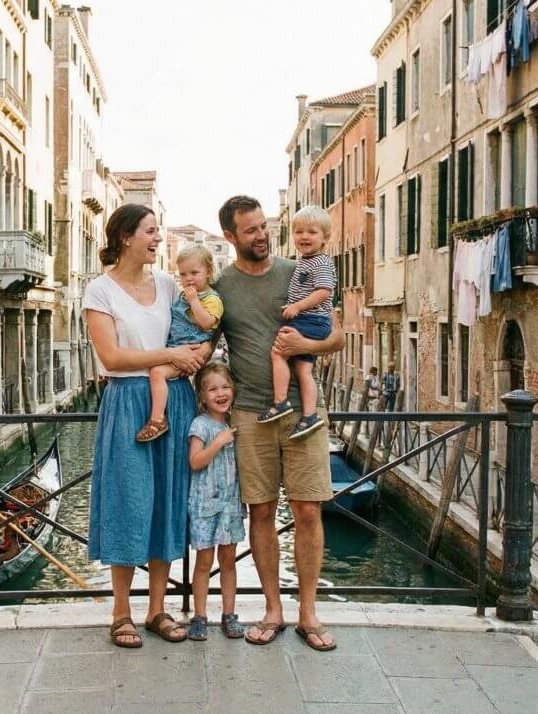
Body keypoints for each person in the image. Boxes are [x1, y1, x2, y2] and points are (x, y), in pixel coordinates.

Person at [214, 194, 344, 651]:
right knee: (262, 511)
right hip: (250, 412)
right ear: (230, 237)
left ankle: (309, 612)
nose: (262, 235)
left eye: (264, 225)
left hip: (303, 412)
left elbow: (338, 337)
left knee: (308, 509)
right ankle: (273, 609)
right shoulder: (221, 287)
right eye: (250, 230)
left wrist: (300, 347)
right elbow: (202, 341)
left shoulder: (300, 271)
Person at [83, 203, 209, 649]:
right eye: (151, 231)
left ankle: (157, 610)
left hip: (174, 398)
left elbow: (189, 336)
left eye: (158, 231)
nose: (158, 239)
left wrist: (192, 357)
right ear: (125, 237)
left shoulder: (170, 284)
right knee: (128, 498)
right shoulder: (99, 291)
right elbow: (112, 358)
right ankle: (121, 613)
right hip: (128, 401)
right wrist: (170, 357)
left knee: (165, 502)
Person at [258, 205, 337, 441]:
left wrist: (297, 307)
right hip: (313, 320)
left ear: (325, 238)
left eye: (311, 232)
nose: (304, 237)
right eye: (299, 231)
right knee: (304, 369)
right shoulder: (306, 261)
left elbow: (324, 292)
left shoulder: (320, 262)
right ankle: (310, 415)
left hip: (311, 319)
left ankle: (281, 402)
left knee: (278, 353)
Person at [137, 244, 224, 443]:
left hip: (190, 351)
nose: (188, 279)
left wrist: (194, 301)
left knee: (157, 372)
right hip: (176, 348)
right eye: (183, 274)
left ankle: (157, 419)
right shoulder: (182, 295)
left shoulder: (212, 299)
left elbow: (207, 323)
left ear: (208, 272)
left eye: (194, 272)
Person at [185, 363, 246, 641]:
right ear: (202, 396)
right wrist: (219, 442)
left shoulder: (236, 422)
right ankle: (199, 615)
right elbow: (195, 462)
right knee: (203, 562)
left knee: (229, 561)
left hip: (230, 505)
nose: (220, 393)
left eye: (225, 387)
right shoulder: (200, 425)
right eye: (212, 389)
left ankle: (229, 614)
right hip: (205, 506)